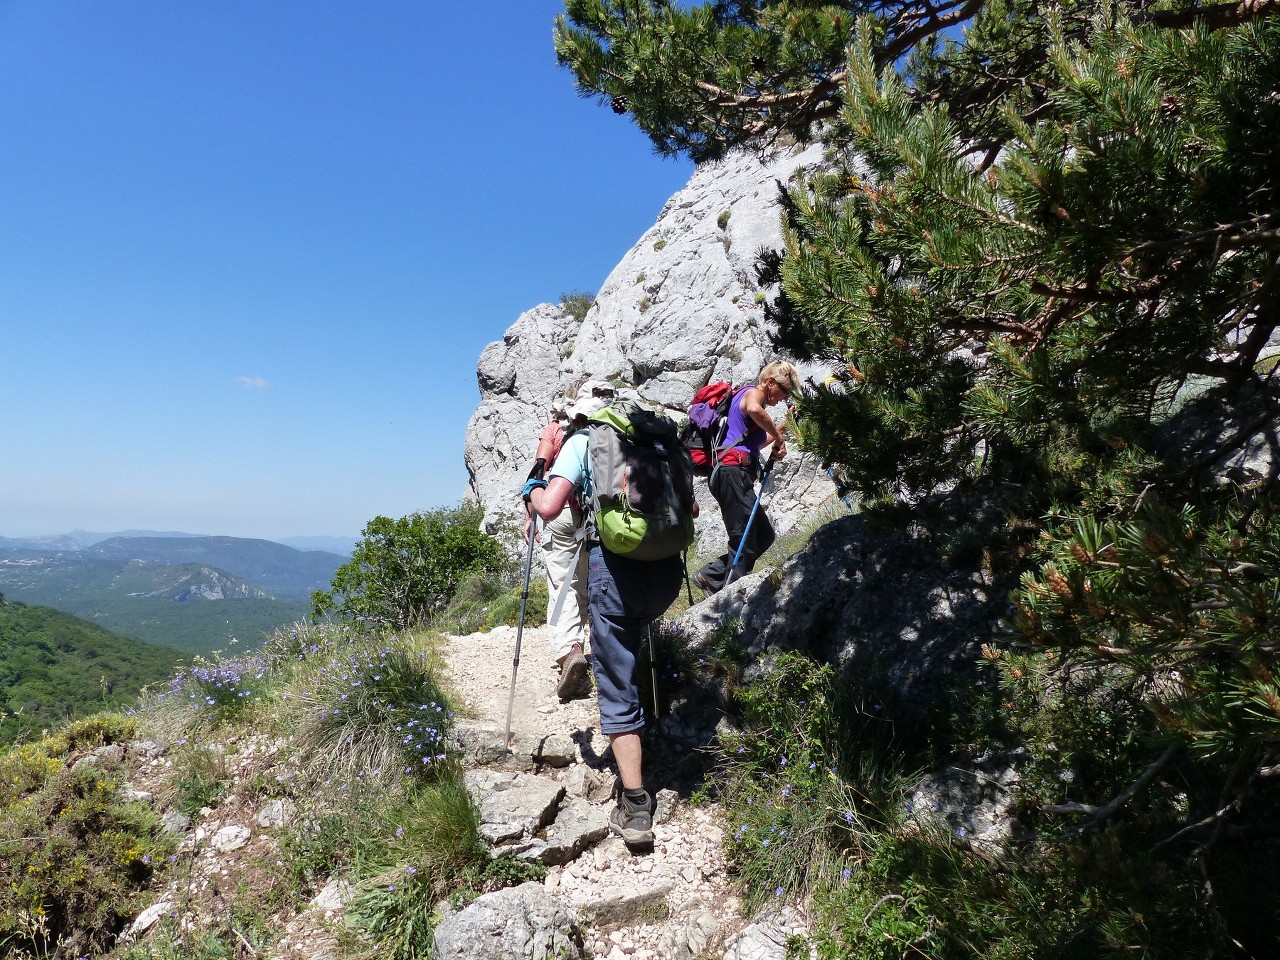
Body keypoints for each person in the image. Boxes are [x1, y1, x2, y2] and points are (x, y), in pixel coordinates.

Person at [523, 394, 694, 850]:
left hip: (615, 574)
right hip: (666, 574)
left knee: (616, 680)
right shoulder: (655, 442)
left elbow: (549, 507)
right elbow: (691, 510)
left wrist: (532, 485)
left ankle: (636, 805)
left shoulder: (585, 441)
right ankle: (650, 721)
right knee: (638, 643)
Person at [524, 379, 615, 701]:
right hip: (599, 516)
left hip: (561, 510)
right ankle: (600, 650)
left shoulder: (555, 429)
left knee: (562, 583)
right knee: (588, 584)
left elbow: (538, 470)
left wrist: (530, 513)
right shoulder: (613, 430)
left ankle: (570, 650)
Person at [693, 360, 798, 593]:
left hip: (735, 474)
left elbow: (758, 442)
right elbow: (754, 409)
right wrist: (779, 439)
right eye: (784, 390)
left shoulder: (753, 410)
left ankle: (710, 576)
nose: (783, 398)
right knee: (745, 536)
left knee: (764, 535)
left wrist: (785, 427)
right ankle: (732, 593)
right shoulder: (753, 393)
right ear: (771, 382)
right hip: (731, 472)